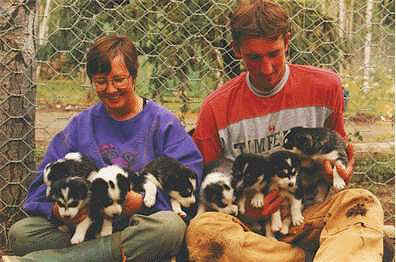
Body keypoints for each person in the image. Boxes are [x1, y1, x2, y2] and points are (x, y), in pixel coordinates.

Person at [186, 1, 386, 261]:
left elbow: (340, 149)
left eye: (274, 54)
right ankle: (298, 257)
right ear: (236, 50)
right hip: (250, 225)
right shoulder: (216, 107)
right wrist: (242, 210)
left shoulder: (325, 87)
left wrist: (338, 170)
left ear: (287, 41)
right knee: (203, 230)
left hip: (310, 212)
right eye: (254, 57)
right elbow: (207, 181)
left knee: (362, 201)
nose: (266, 68)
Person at [4, 35, 203, 262]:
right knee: (21, 233)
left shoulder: (162, 123)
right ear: (91, 80)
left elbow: (191, 183)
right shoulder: (81, 126)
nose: (110, 89)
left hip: (138, 226)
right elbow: (42, 184)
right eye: (100, 81)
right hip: (89, 227)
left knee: (170, 228)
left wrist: (141, 203)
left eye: (119, 79)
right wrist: (58, 211)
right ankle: (104, 255)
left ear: (134, 76)